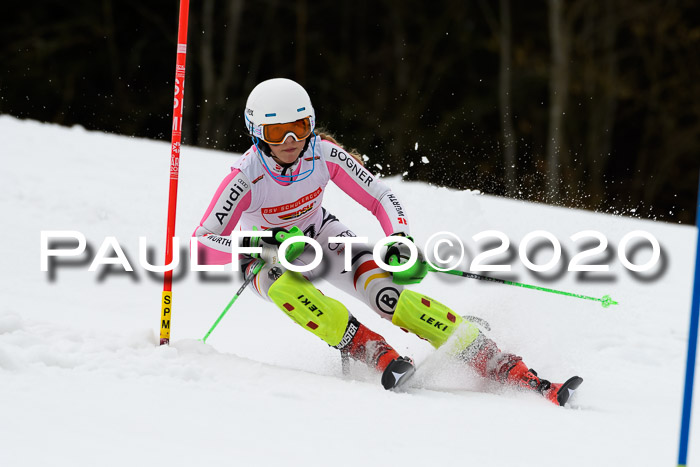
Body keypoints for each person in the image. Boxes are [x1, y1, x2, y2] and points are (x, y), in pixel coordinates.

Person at [193, 78, 582, 405]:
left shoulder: (323, 154)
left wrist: (398, 238)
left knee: (387, 294)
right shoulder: (247, 177)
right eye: (278, 132)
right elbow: (204, 240)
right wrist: (267, 238)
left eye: (301, 125)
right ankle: (371, 349)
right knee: (287, 288)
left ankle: (492, 357)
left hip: (320, 235)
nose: (292, 140)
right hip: (265, 256)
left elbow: (381, 196)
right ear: (257, 133)